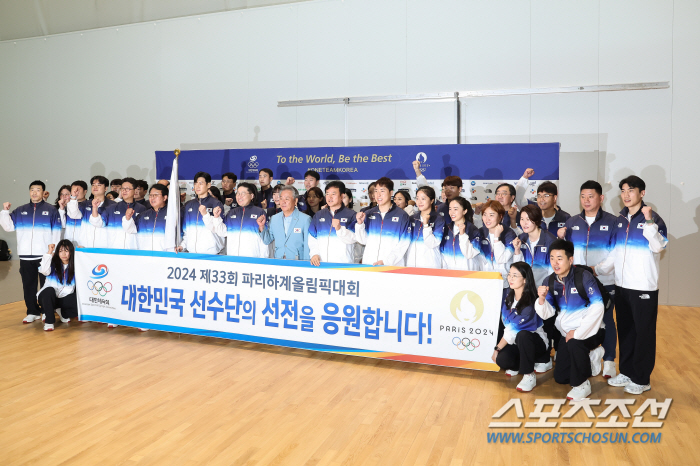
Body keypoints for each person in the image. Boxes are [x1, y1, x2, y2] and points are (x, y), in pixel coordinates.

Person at [595, 175, 668, 395]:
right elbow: (615, 254)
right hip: (622, 285)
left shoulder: (654, 218)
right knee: (626, 331)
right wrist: (595, 270)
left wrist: (648, 222)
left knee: (644, 333)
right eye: (623, 191)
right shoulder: (620, 220)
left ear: (642, 193)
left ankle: (642, 378)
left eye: (631, 190)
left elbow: (658, 247)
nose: (626, 195)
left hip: (643, 287)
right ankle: (626, 371)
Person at [559, 180, 619, 379]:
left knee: (606, 319)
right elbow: (566, 253)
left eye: (591, 196)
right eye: (583, 196)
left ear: (601, 198)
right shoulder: (572, 222)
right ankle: (591, 353)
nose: (586, 200)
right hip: (577, 282)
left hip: (605, 280)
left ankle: (609, 360)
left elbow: (616, 253)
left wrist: (596, 269)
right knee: (581, 318)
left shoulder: (612, 222)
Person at [535, 239, 606, 401]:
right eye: (552, 258)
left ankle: (582, 385)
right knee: (561, 377)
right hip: (566, 333)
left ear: (570, 259)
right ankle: (592, 356)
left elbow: (598, 307)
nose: (555, 263)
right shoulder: (550, 281)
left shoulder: (584, 277)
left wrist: (578, 332)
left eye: (560, 258)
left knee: (576, 343)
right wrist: (541, 300)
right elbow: (547, 314)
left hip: (592, 330)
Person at [1, 181, 61, 323]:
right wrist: (5, 211)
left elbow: (57, 232)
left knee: (47, 285)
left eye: (38, 190)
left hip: (45, 255)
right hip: (26, 255)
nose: (34, 192)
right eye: (32, 190)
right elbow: (8, 227)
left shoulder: (51, 210)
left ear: (43, 192)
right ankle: (32, 311)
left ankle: (47, 311)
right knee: (28, 285)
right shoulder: (20, 210)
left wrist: (52, 252)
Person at [493, 262, 551, 392]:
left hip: (535, 342)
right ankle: (522, 363)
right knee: (503, 360)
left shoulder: (531, 300)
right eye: (509, 275)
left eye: (515, 275)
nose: (510, 278)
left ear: (525, 279)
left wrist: (497, 349)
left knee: (523, 335)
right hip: (515, 342)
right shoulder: (507, 294)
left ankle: (529, 375)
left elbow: (514, 329)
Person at [512, 204, 558, 352]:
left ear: (537, 220)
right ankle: (534, 352)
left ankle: (550, 352)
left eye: (528, 219)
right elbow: (518, 267)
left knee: (547, 321)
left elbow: (554, 270)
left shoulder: (549, 240)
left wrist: (544, 290)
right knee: (531, 324)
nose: (524, 223)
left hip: (544, 290)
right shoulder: (521, 239)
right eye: (522, 219)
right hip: (527, 291)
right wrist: (517, 250)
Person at [202, 182, 269, 258]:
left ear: (251, 196)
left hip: (252, 259)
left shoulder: (259, 212)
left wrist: (263, 259)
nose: (239, 196)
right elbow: (223, 232)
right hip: (233, 259)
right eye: (238, 193)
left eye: (243, 194)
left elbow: (264, 239)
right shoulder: (231, 212)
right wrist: (217, 218)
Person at [354, 177, 410, 266]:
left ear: (391, 193)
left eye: (382, 191)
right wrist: (359, 224)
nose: (378, 195)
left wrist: (386, 261)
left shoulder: (402, 216)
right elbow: (363, 240)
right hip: (370, 264)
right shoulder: (368, 213)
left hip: (391, 266)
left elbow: (403, 244)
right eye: (376, 191)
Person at [90, 177, 147, 250]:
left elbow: (143, 231)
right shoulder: (112, 207)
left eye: (127, 189)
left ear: (135, 191)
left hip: (133, 249)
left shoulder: (142, 208)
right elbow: (98, 223)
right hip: (114, 248)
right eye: (123, 189)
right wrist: (94, 208)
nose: (124, 191)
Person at [308, 181, 357, 266]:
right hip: (321, 264)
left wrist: (339, 229)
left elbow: (354, 239)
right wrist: (315, 254)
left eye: (333, 194)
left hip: (343, 265)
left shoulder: (352, 215)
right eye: (327, 194)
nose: (329, 197)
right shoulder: (319, 215)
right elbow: (312, 238)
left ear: (342, 196)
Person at [258, 185, 311, 260]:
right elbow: (267, 240)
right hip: (279, 260)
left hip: (297, 261)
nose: (283, 202)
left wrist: (306, 264)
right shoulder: (274, 219)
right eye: (281, 198)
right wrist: (261, 227)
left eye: (287, 199)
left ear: (295, 201)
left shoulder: (305, 219)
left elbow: (307, 245)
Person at [476, 200, 517, 294]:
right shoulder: (480, 233)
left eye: (491, 215)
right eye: (485, 214)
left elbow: (501, 259)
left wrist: (497, 238)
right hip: (485, 282)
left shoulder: (509, 234)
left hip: (504, 284)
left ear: (500, 217)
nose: (487, 219)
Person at [180, 171, 225, 254]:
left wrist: (205, 214)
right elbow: (187, 232)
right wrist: (182, 246)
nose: (197, 186)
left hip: (211, 253)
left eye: (200, 183)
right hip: (192, 253)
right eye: (195, 183)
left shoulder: (216, 204)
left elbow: (219, 230)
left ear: (208, 185)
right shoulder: (189, 205)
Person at [37, 240, 77, 331]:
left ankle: (63, 312)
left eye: (66, 251)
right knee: (49, 290)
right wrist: (49, 252)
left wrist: (81, 253)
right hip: (47, 298)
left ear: (71, 252)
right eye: (60, 251)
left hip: (62, 299)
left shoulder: (75, 267)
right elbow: (43, 271)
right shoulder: (52, 264)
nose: (63, 254)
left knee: (78, 299)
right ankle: (49, 321)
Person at [123, 184, 175, 251]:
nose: (152, 198)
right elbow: (130, 230)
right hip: (145, 255)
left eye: (156, 195)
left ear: (165, 197)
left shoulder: (172, 215)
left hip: (165, 256)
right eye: (150, 195)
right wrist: (128, 219)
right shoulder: (143, 215)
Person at [69, 176, 115, 248]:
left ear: (106, 188)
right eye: (93, 185)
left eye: (98, 185)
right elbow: (73, 215)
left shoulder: (113, 206)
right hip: (85, 245)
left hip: (104, 246)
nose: (95, 187)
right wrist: (73, 197)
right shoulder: (85, 203)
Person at [405, 186, 445, 268]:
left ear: (431, 200)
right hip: (411, 264)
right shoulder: (412, 218)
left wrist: (426, 225)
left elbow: (432, 243)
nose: (419, 202)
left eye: (423, 199)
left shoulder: (438, 219)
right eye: (417, 198)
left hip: (430, 264)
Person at [439, 197, 480, 270]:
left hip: (467, 275)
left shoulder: (473, 230)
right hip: (449, 274)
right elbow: (442, 253)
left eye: (455, 209)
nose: (452, 212)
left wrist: (462, 234)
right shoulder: (446, 229)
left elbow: (470, 254)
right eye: (450, 209)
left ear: (464, 211)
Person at [63, 180, 88, 246]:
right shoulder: (67, 205)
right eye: (73, 190)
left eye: (78, 190)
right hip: (68, 242)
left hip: (82, 244)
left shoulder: (90, 206)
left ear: (85, 192)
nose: (75, 192)